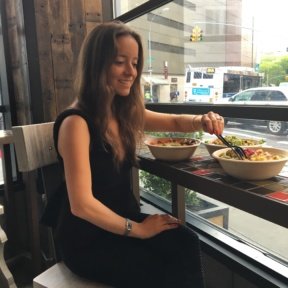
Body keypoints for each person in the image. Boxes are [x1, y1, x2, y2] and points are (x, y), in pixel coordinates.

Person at [44, 21, 224, 288]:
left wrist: (203, 119)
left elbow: (173, 123)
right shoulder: (76, 123)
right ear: (97, 65)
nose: (131, 71)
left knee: (186, 243)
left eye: (135, 62)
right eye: (120, 61)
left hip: (122, 221)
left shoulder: (122, 112)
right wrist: (137, 229)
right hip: (87, 240)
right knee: (161, 272)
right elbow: (81, 205)